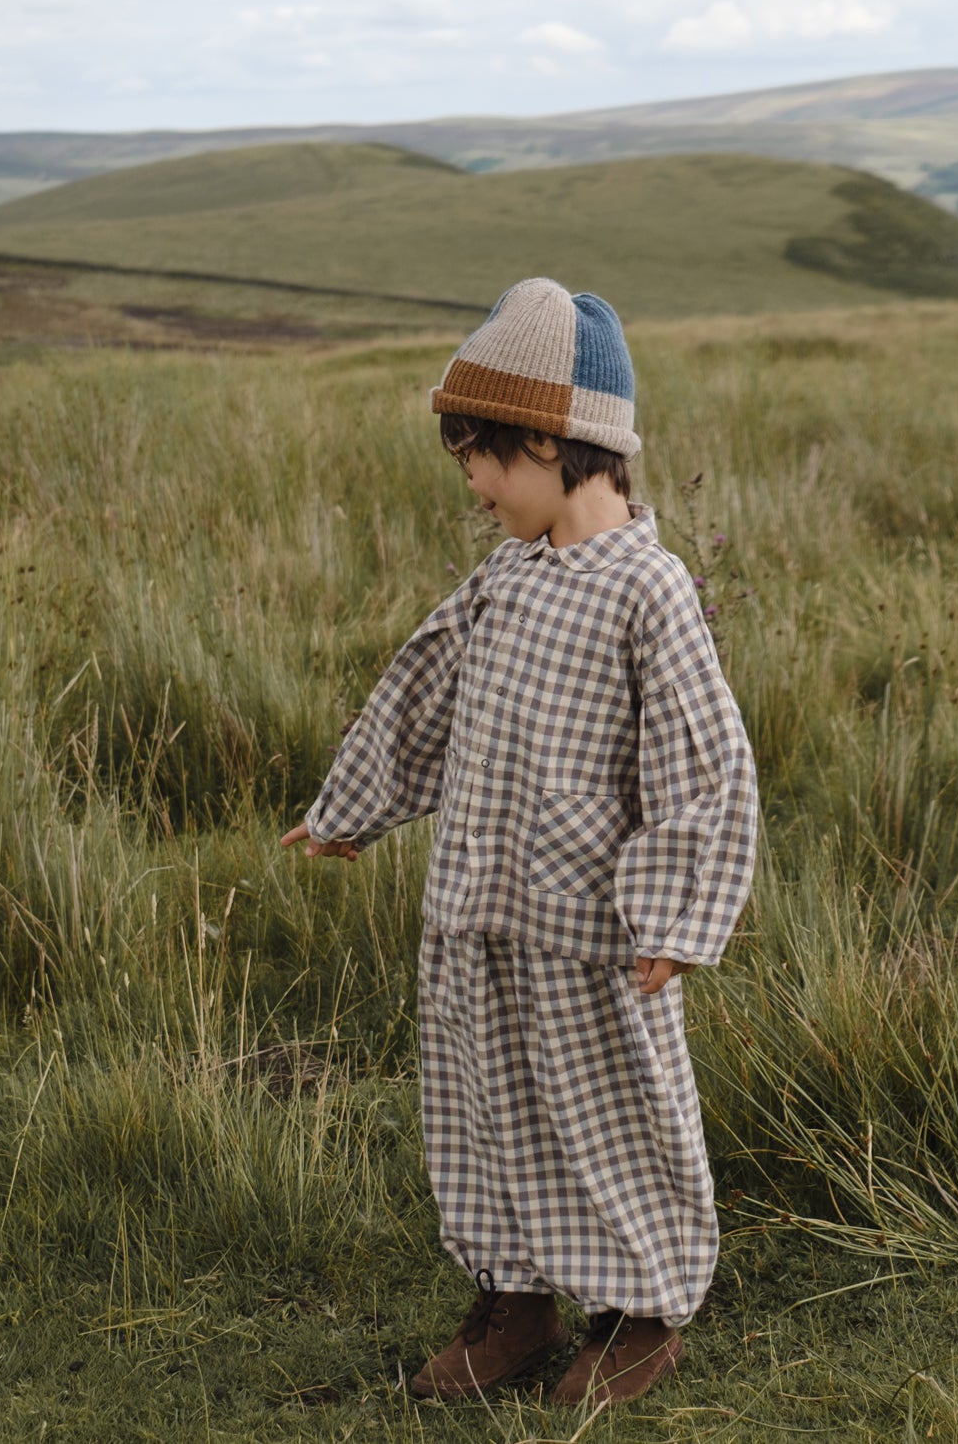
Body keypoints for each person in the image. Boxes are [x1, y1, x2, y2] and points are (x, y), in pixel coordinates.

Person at [281, 276, 758, 1408]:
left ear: (549, 440)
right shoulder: (507, 574)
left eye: (481, 458)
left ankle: (640, 1315)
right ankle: (515, 1304)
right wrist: (352, 804)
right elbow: (425, 690)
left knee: (612, 1118)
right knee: (486, 1110)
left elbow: (701, 759)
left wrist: (674, 917)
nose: (474, 485)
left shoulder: (646, 590)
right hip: (478, 915)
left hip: (590, 935)